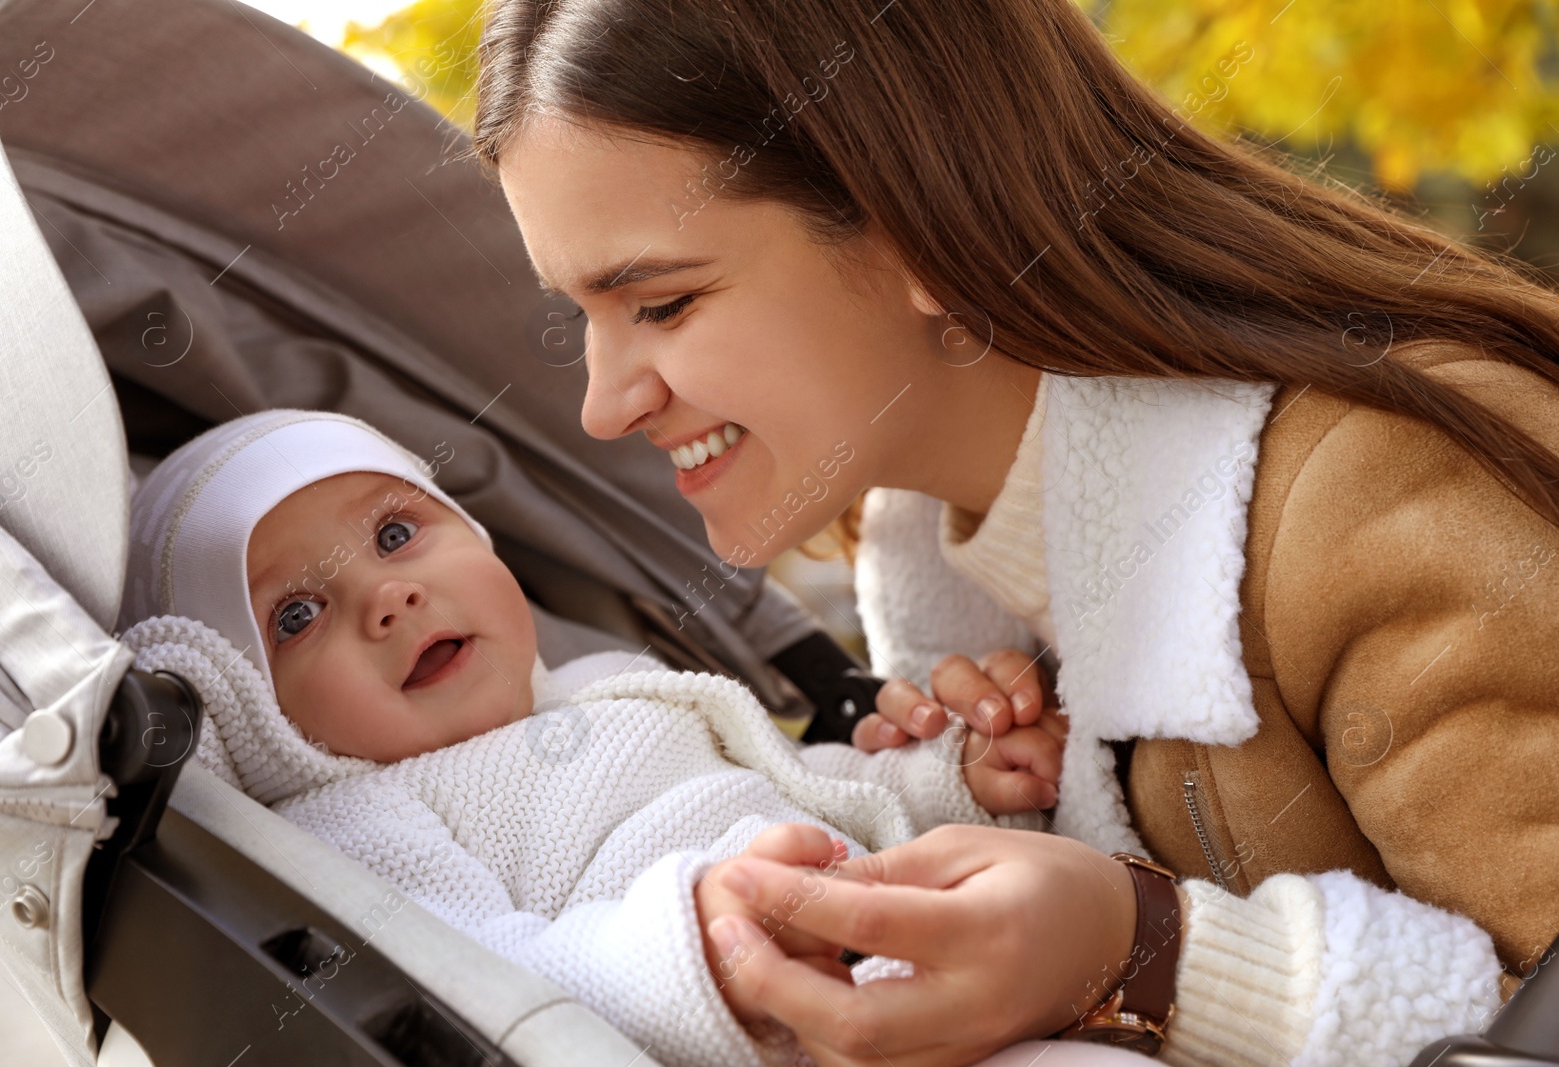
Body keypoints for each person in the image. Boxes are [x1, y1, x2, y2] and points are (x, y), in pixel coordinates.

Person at [471, 0, 1559, 1064]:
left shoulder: (1386, 488)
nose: (602, 406)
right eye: (579, 317)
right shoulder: (937, 574)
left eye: (659, 304)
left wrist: (1146, 952)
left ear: (917, 224)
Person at [115, 408, 1066, 1067]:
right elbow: (486, 979)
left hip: (919, 963)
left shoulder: (606, 683)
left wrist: (954, 780)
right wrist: (700, 950)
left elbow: (806, 784)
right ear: (253, 707)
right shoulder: (360, 822)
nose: (386, 596)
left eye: (397, 534)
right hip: (773, 1014)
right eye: (296, 615)